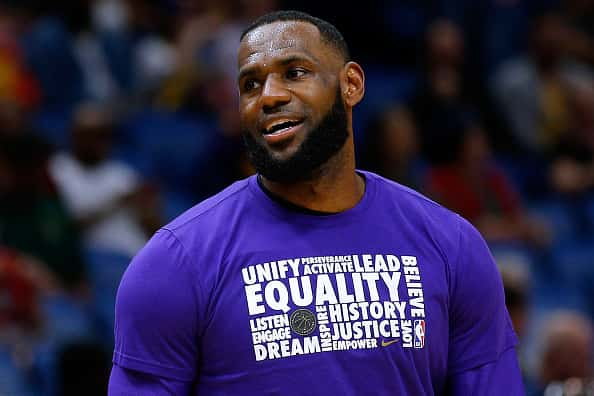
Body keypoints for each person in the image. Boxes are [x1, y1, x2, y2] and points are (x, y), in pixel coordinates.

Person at [108, 10, 524, 395]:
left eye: (294, 72)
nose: (269, 96)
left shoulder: (451, 245)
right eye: (250, 84)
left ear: (352, 84)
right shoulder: (174, 263)